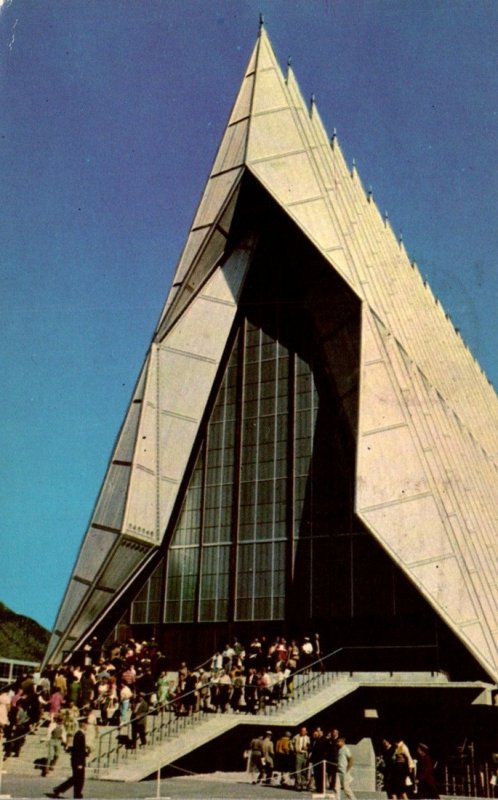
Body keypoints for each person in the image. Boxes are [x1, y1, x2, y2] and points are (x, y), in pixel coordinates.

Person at [52, 718, 89, 799]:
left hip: (78, 759)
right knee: (78, 779)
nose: (87, 726)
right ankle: (76, 794)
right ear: (84, 725)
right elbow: (78, 750)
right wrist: (79, 762)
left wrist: (85, 752)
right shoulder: (79, 734)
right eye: (87, 724)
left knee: (75, 779)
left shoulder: (80, 734)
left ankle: (60, 790)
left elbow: (78, 749)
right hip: (78, 761)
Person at [311, 727, 329, 794]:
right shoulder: (316, 740)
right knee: (316, 774)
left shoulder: (324, 740)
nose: (317, 733)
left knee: (320, 774)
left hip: (321, 760)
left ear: (322, 732)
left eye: (319, 731)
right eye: (317, 731)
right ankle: (318, 787)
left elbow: (326, 750)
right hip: (315, 760)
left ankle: (321, 788)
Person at [292, 726, 310, 791]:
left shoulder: (308, 738)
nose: (303, 732)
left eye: (304, 731)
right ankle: (298, 784)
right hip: (298, 754)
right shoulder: (296, 737)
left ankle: (303, 784)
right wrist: (294, 750)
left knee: (304, 770)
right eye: (302, 731)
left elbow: (309, 745)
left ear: (306, 731)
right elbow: (291, 743)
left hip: (305, 755)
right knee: (298, 769)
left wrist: (307, 748)